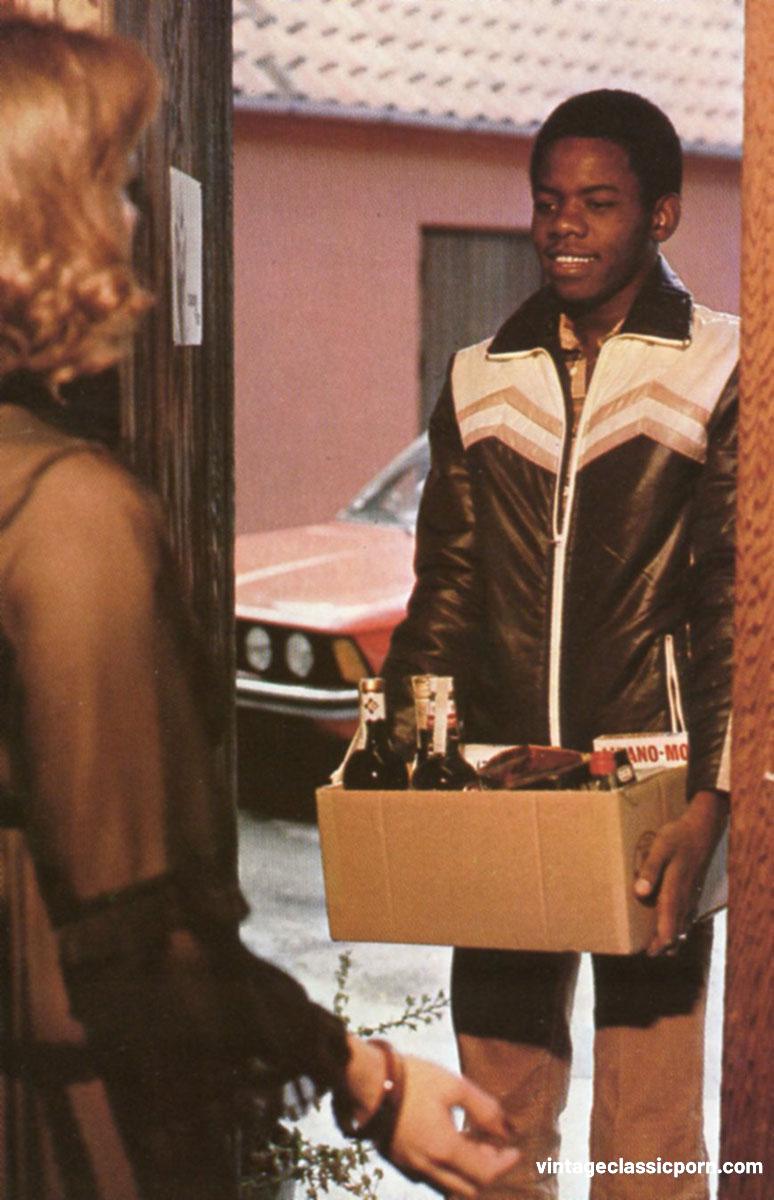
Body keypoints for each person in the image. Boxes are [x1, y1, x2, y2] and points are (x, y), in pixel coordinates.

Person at [0, 16, 520, 1200]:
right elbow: (146, 949)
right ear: (44, 216)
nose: (136, 218)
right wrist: (366, 1075)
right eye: (116, 184)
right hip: (63, 1123)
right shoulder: (64, 515)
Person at [384, 89, 737, 1198]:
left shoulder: (726, 366)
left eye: (597, 202)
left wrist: (713, 804)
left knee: (649, 1138)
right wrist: (407, 761)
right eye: (547, 202)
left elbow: (738, 604)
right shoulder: (479, 373)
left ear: (662, 214)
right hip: (502, 786)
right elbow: (444, 589)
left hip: (654, 794)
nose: (564, 226)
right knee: (497, 1127)